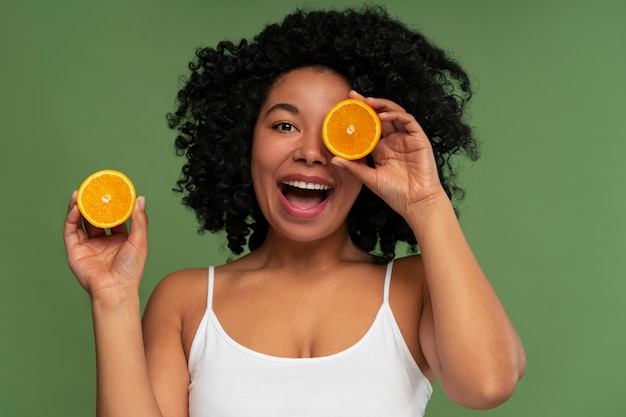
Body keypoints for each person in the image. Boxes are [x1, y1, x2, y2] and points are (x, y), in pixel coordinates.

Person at [64, 6, 525, 417]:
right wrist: (114, 299)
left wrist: (426, 203)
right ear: (244, 141)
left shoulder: (414, 288)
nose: (310, 151)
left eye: (336, 130)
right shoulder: (185, 302)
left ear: (370, 150)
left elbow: (488, 385)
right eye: (285, 124)